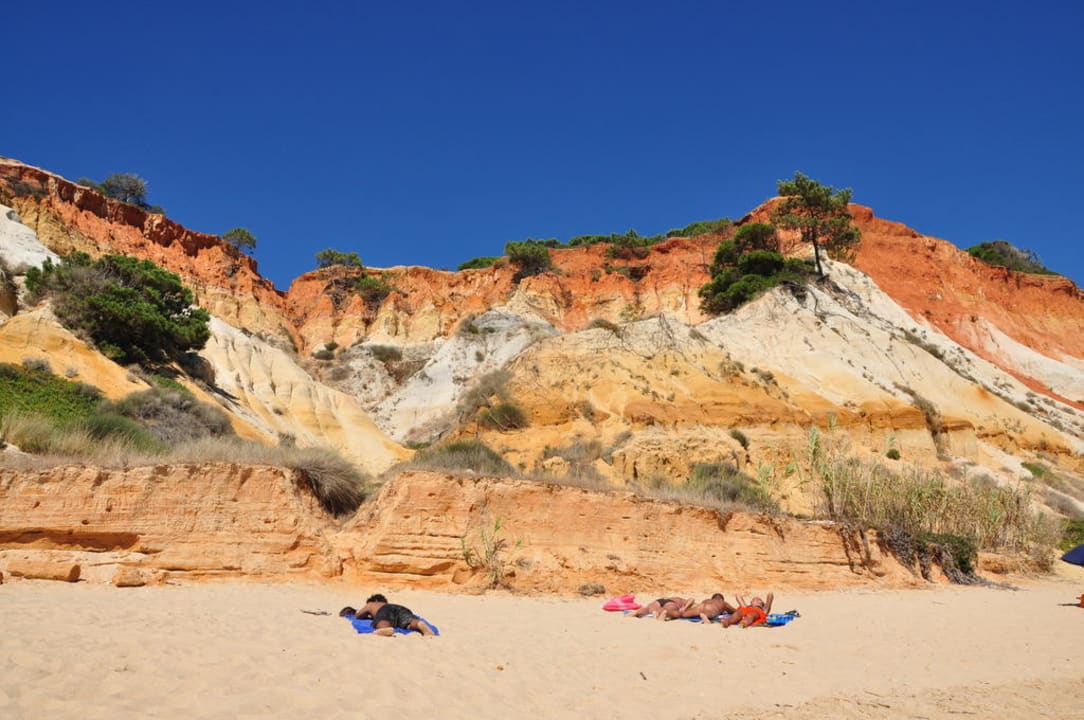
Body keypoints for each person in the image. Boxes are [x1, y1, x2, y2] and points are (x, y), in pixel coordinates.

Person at [342, 593, 435, 636]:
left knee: (383, 621)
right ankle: (419, 625)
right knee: (408, 622)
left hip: (385, 611)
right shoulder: (388, 604)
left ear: (375, 600)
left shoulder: (371, 604)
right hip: (401, 608)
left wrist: (367, 615)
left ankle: (385, 629)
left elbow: (358, 616)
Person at [664, 593, 736, 623]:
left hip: (700, 606)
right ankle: (706, 618)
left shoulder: (707, 600)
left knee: (681, 614)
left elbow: (701, 604)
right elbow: (733, 611)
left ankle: (668, 615)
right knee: (711, 612)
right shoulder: (723, 602)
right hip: (710, 609)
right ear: (721, 599)